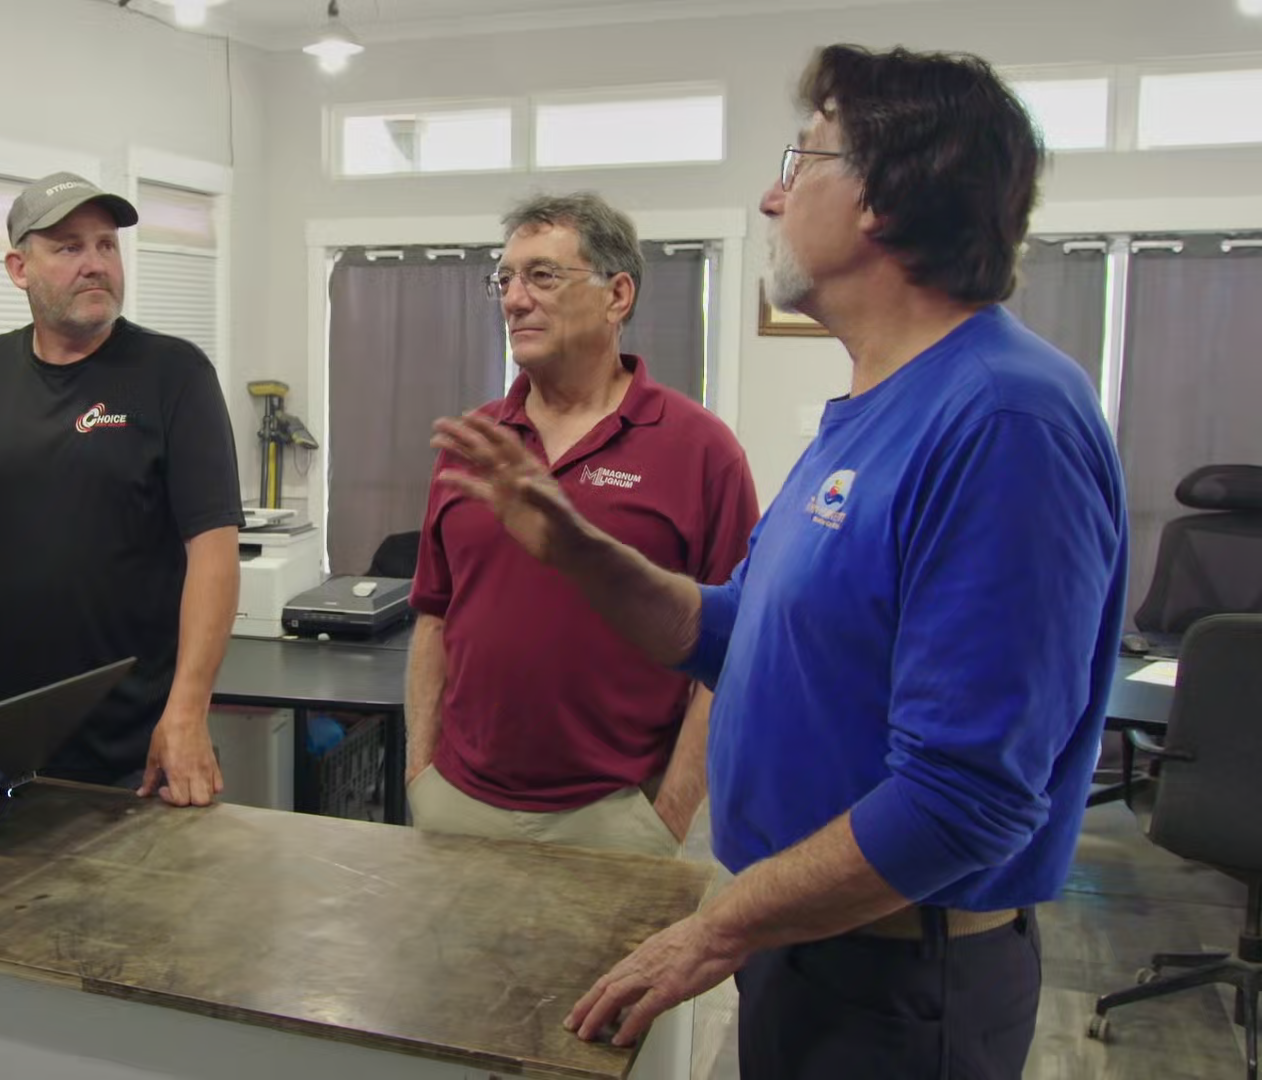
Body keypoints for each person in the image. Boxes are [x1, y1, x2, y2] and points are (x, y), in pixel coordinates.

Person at [434, 45, 1127, 1078]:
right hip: (810, 942)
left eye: (801, 161)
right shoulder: (875, 406)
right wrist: (580, 551)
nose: (770, 196)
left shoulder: (1003, 419)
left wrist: (715, 926)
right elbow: (736, 633)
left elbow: (967, 799)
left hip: (899, 985)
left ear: (886, 196)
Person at [0, 172, 242, 808]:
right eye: (69, 247)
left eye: (106, 244)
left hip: (140, 754)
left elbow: (213, 549)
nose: (95, 263)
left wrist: (187, 710)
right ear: (20, 268)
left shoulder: (174, 374)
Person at [406, 192, 758, 854]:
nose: (514, 300)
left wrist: (670, 812)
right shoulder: (475, 443)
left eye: (542, 275)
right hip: (456, 803)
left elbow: (741, 650)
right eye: (505, 279)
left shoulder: (701, 450)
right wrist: (420, 772)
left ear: (617, 295)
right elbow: (434, 614)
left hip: (618, 816)